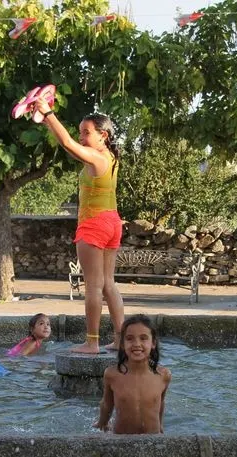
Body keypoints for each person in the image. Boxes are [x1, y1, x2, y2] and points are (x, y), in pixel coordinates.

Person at [34, 95, 124, 354]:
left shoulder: (96, 158)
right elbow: (67, 143)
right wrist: (47, 122)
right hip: (112, 222)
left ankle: (92, 342)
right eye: (80, 132)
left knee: (93, 286)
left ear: (103, 135)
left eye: (87, 132)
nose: (82, 137)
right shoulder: (110, 157)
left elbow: (67, 143)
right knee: (108, 284)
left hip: (94, 225)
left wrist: (48, 113)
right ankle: (121, 339)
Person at [94, 314, 171, 434]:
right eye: (129, 338)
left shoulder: (163, 375)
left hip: (153, 439)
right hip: (121, 439)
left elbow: (160, 403)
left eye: (143, 338)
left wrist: (160, 426)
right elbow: (107, 404)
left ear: (153, 343)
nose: (136, 344)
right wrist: (102, 423)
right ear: (122, 344)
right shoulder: (112, 374)